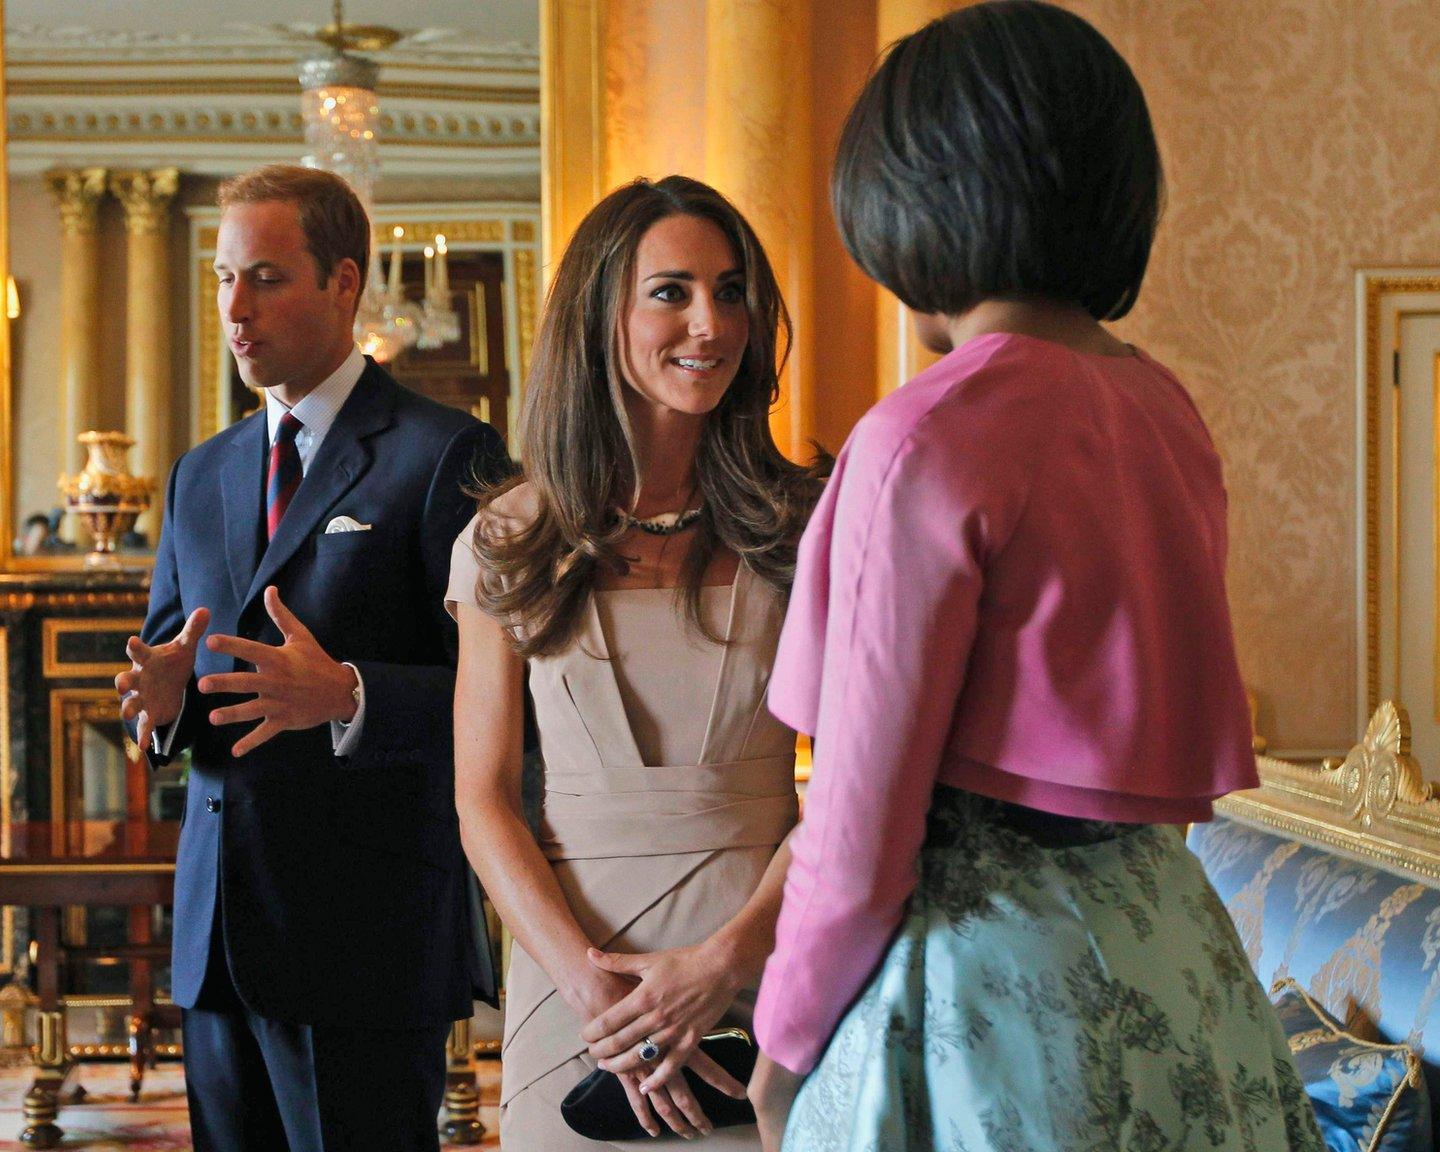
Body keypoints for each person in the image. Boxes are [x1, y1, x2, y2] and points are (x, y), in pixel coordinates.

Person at [743, 5, 1325, 1150]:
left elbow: (859, 836)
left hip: (987, 991)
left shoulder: (927, 435)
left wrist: (779, 1052)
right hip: (1177, 964)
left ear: (919, 194)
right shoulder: (1164, 411)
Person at [116, 164, 507, 1152]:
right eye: (220, 279)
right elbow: (184, 670)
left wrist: (348, 695)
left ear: (343, 282)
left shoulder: (445, 453)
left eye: (264, 278)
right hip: (216, 940)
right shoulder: (199, 473)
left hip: (364, 941)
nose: (234, 310)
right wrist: (161, 704)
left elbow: (519, 696)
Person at [452, 176, 827, 1147]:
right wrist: (590, 991)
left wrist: (725, 962)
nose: (708, 323)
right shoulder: (505, 538)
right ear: (600, 313)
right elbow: (482, 798)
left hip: (763, 978)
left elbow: (854, 786)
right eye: (670, 291)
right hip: (574, 994)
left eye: (732, 291)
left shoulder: (809, 526)